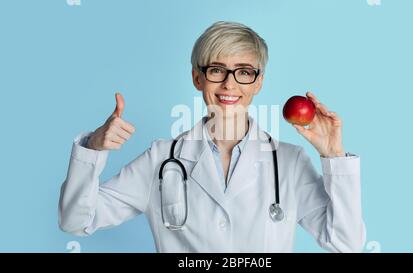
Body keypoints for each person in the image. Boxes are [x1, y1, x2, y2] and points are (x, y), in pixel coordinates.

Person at [58, 21, 366, 252]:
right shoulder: (161, 159)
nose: (230, 84)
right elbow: (75, 221)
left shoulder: (290, 161)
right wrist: (93, 150)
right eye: (217, 70)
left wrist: (333, 157)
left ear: (258, 83)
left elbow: (346, 243)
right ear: (197, 78)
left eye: (244, 71)